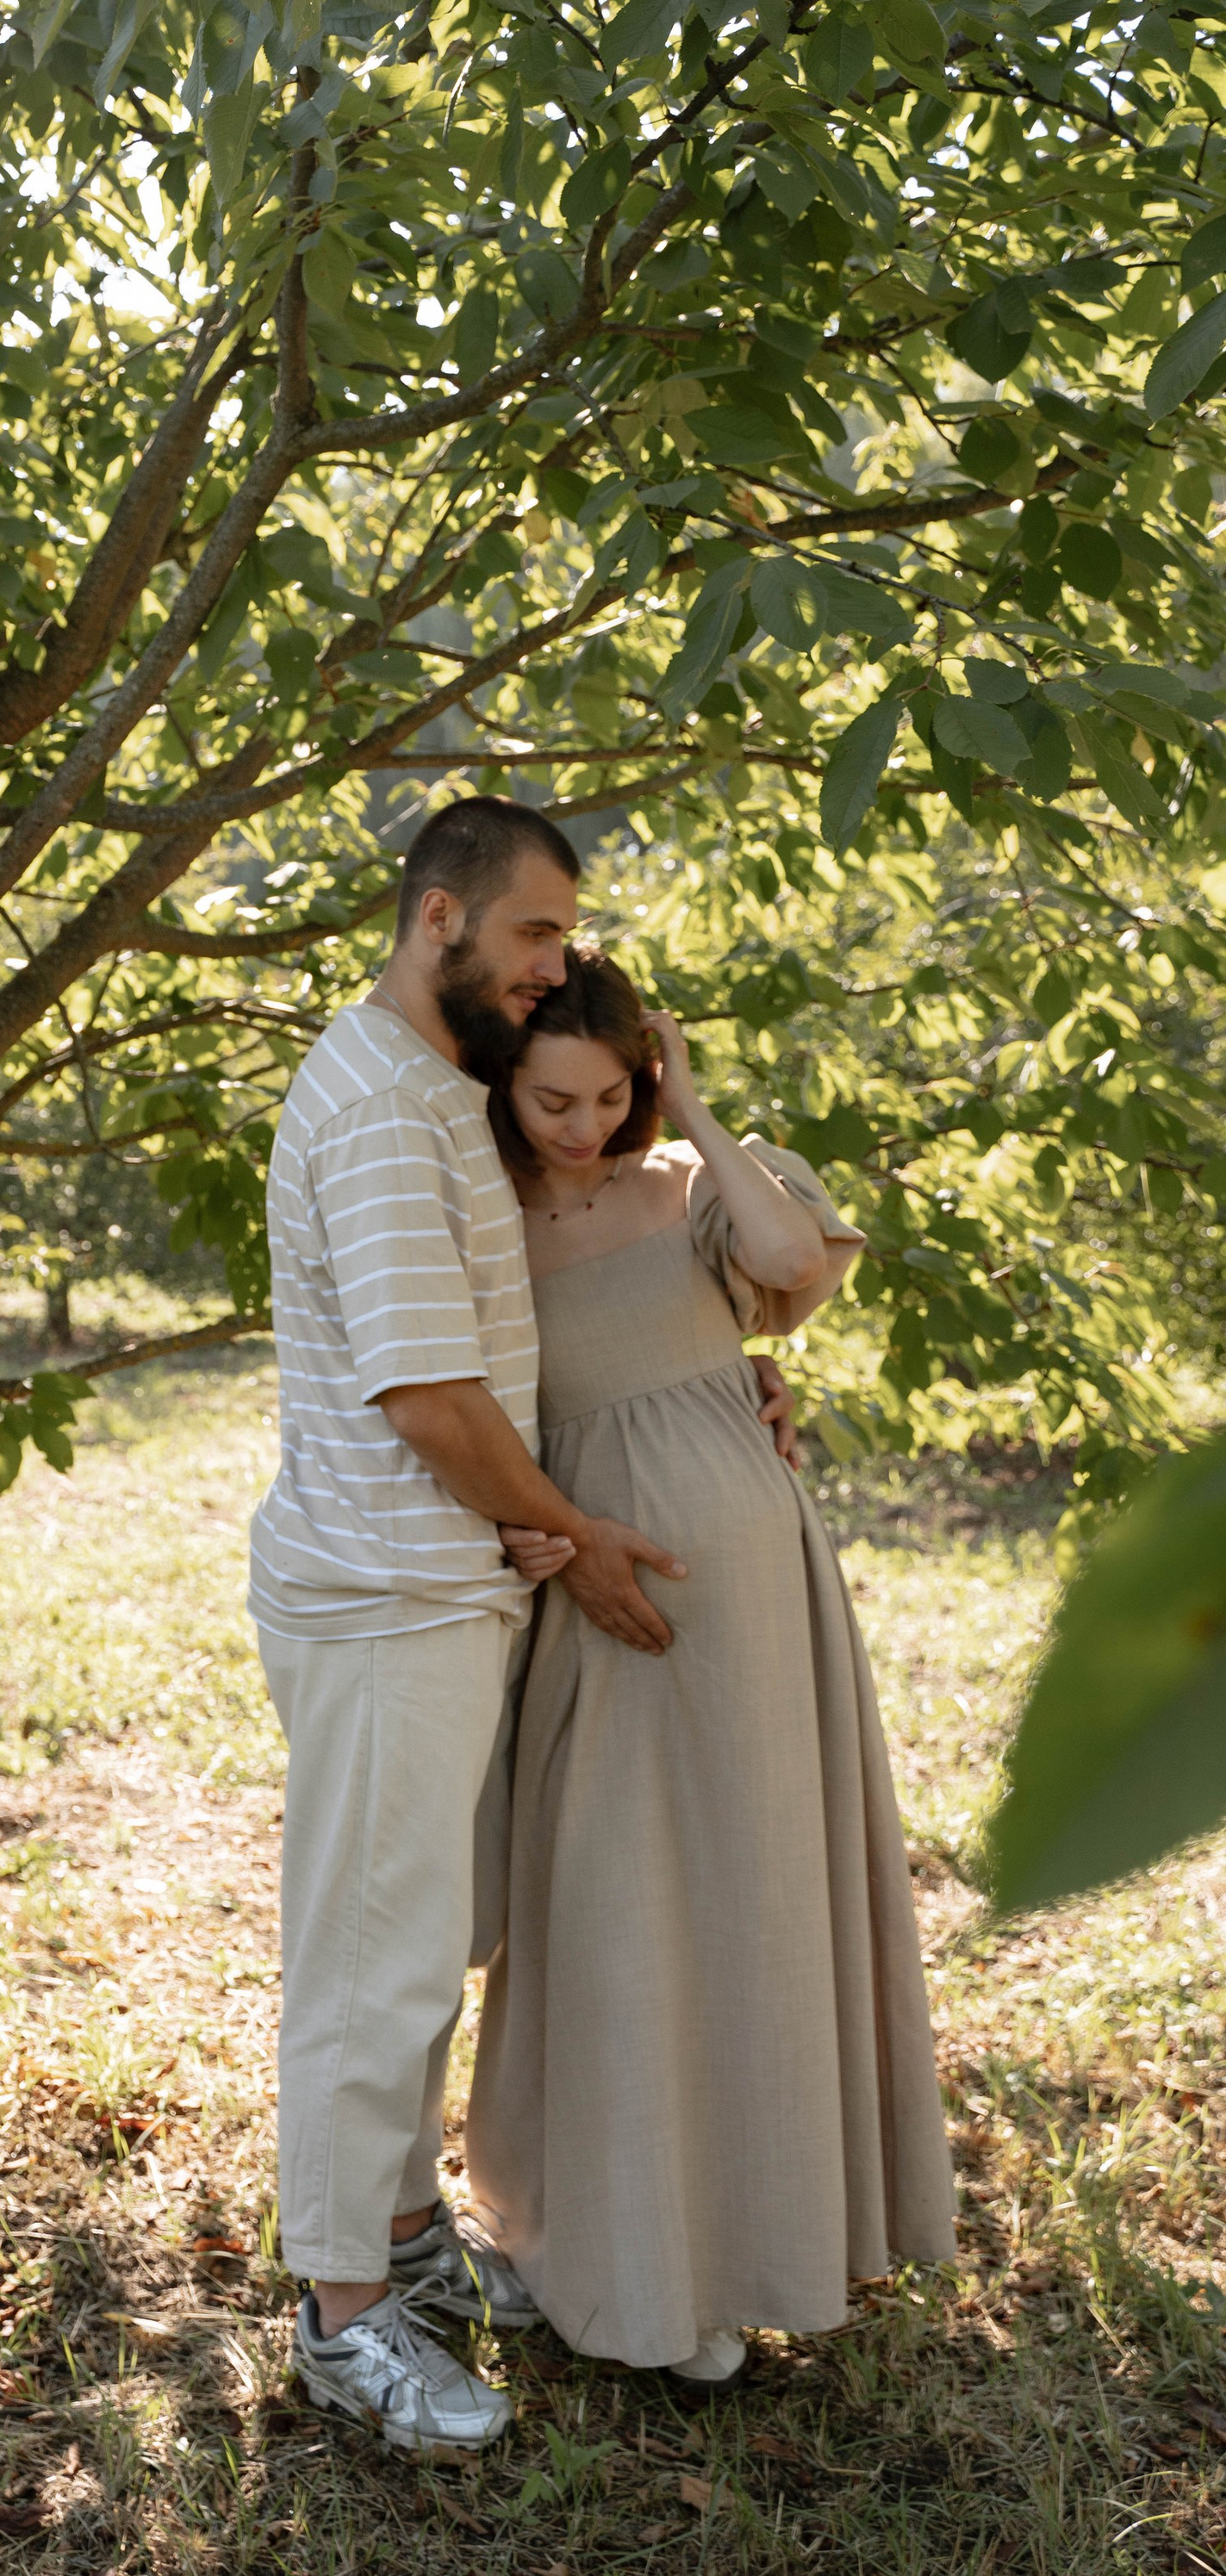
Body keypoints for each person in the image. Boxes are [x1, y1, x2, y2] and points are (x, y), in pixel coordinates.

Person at [248, 801, 794, 2455]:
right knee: (374, 1958)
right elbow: (428, 1396)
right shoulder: (378, 1118)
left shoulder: (434, 1094)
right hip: (390, 1590)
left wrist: (712, 1386)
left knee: (422, 1941)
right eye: (541, 934)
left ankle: (402, 2240)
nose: (564, 963)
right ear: (443, 920)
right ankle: (345, 2321)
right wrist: (583, 1535)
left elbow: (548, 1319)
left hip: (448, 1587)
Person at [467, 949, 958, 2389]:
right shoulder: (478, 1218)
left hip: (759, 1598)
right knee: (616, 1897)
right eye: (557, 1095)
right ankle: (619, 2253)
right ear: (506, 1083)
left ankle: (745, 2261)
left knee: (753, 1901)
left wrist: (689, 1100)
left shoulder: (686, 1187)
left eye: (613, 1092)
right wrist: (533, 1526)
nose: (584, 1121)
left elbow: (798, 1265)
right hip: (598, 1591)